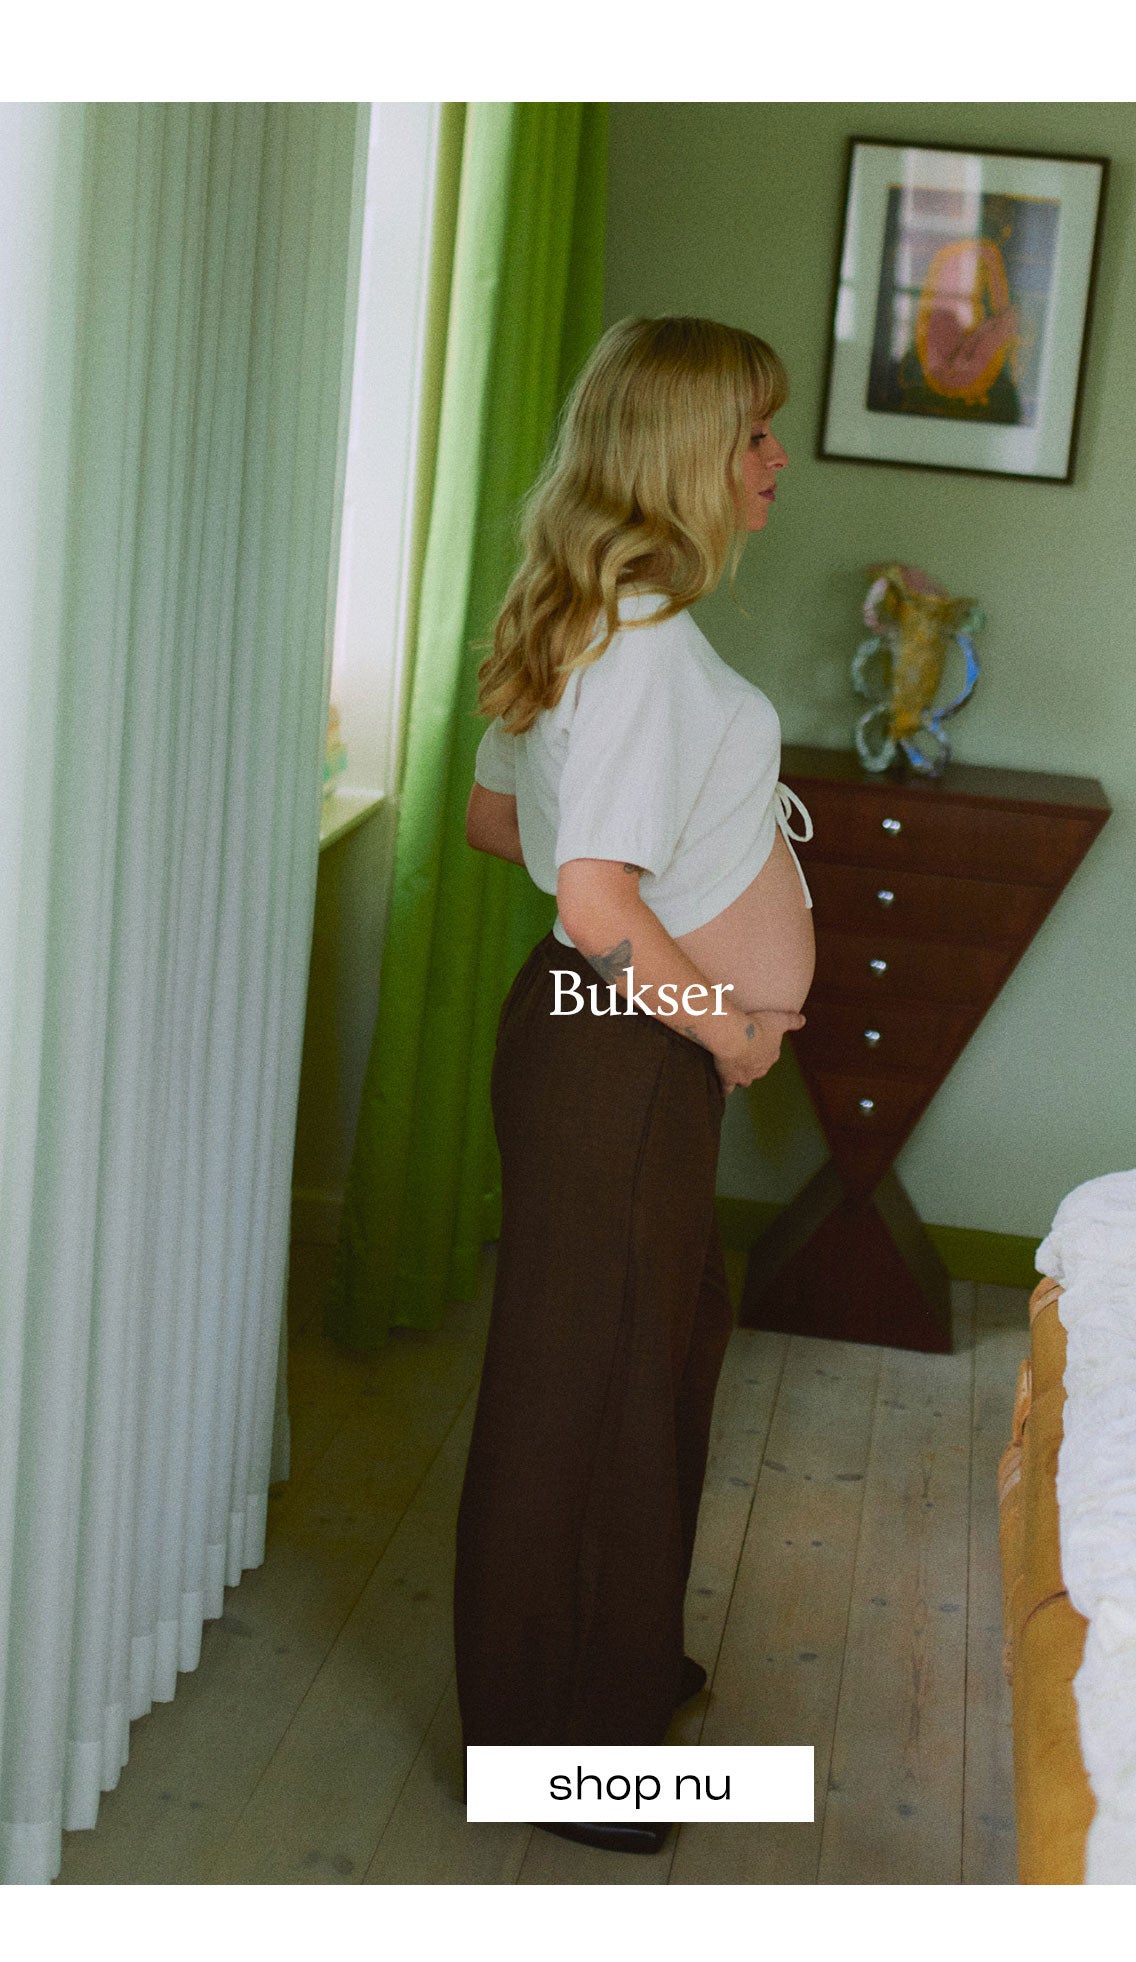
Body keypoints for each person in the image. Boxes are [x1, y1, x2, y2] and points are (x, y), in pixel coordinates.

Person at [455, 315, 816, 1855]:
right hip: (626, 1052)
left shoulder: (593, 613)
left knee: (646, 1356)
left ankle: (613, 1663)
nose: (774, 459)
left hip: (598, 1045)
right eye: (752, 433)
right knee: (589, 1390)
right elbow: (593, 897)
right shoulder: (646, 642)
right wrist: (727, 1025)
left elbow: (499, 822)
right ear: (681, 452)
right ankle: (561, 1748)